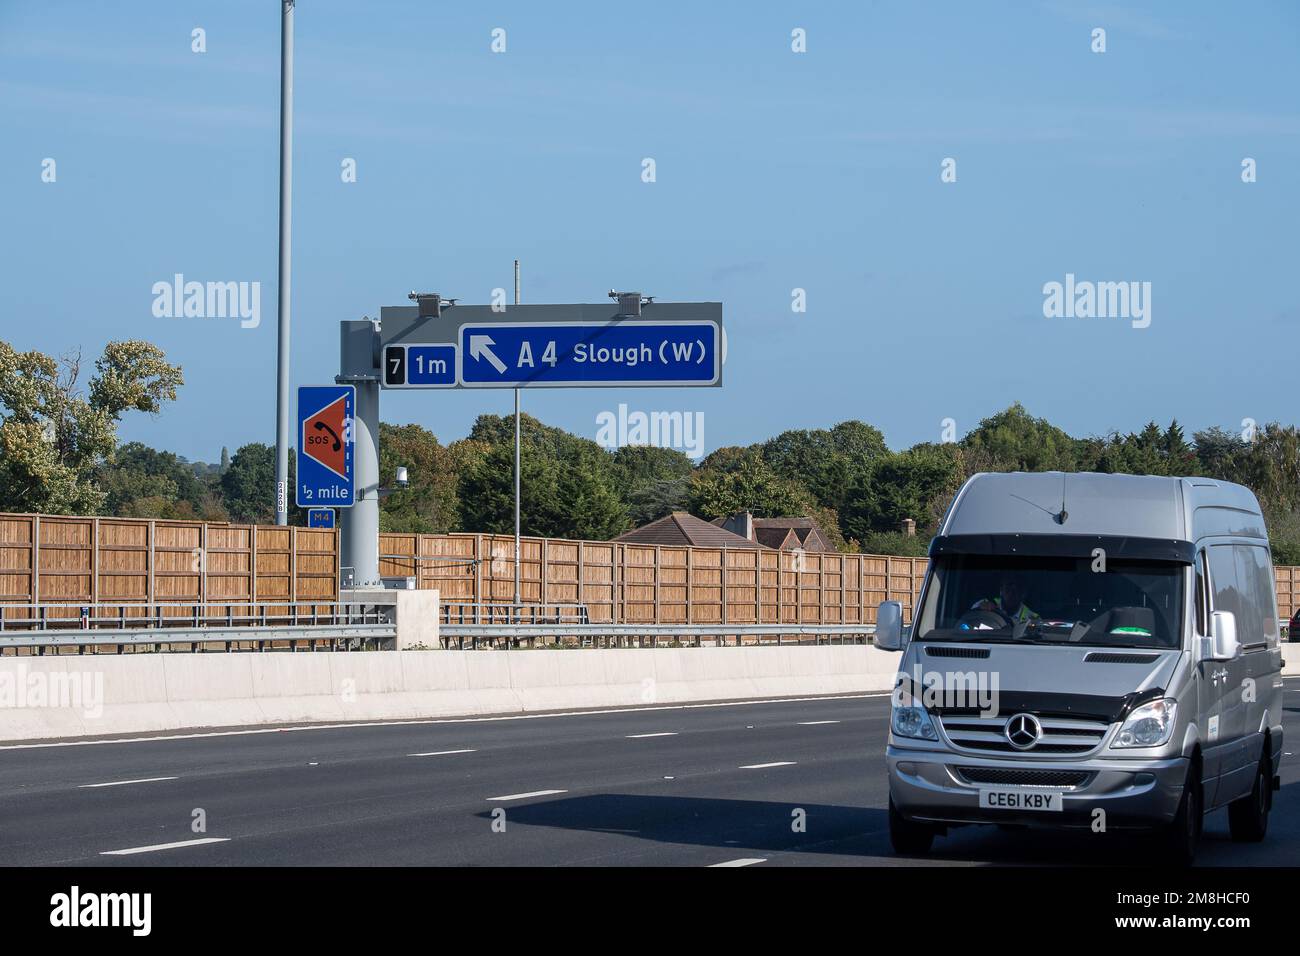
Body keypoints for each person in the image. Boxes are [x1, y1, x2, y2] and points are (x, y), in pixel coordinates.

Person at [972, 577, 1039, 624]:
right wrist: (981, 609)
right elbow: (969, 621)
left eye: (1018, 588)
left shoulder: (1033, 618)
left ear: (1024, 594)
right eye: (1008, 587)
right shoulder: (985, 604)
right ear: (1001, 590)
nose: (1011, 593)